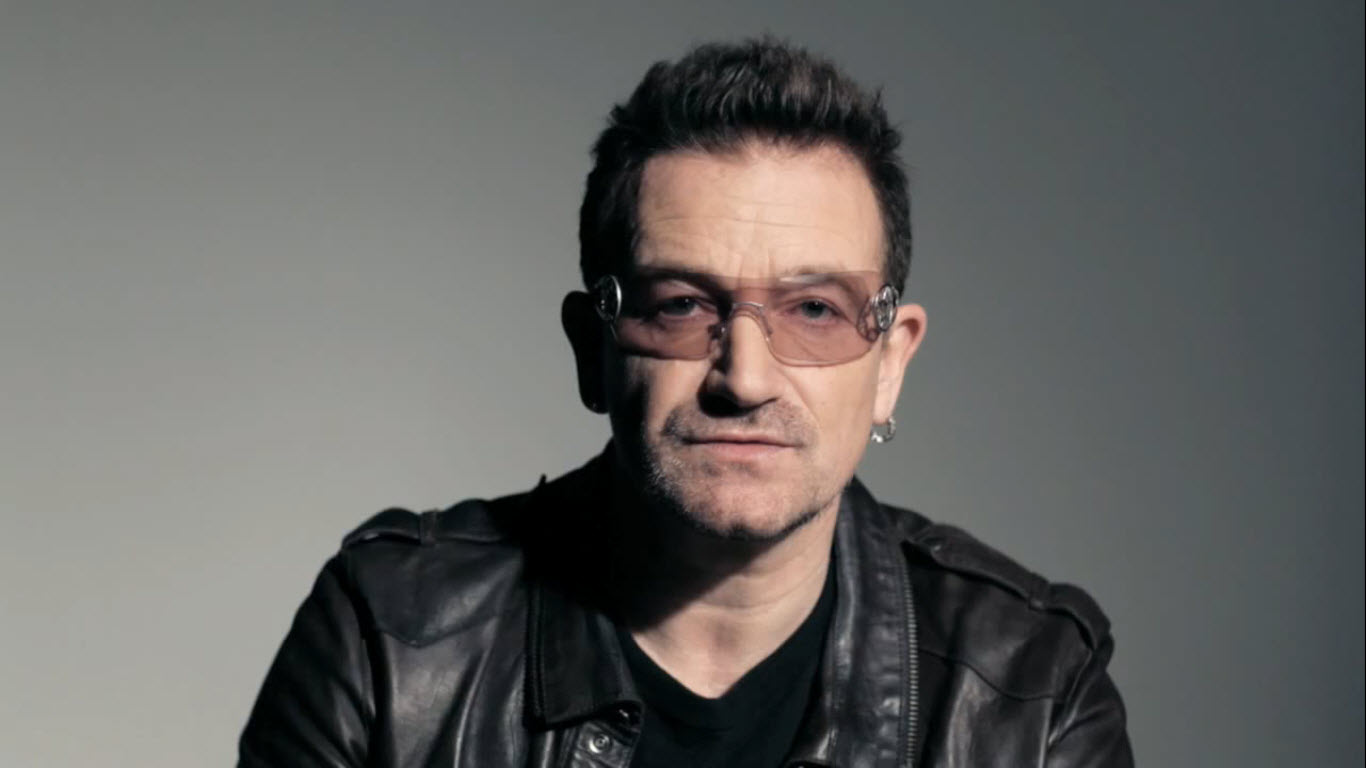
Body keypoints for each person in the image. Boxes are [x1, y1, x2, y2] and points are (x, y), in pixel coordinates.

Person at [238, 38, 1133, 768]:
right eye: (680, 306)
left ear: (890, 363)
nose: (744, 379)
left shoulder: (1031, 689)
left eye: (814, 311)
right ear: (593, 349)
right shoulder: (391, 639)